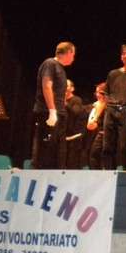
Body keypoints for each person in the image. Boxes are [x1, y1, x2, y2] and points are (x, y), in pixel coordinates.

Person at [31, 41, 76, 169]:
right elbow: (47, 86)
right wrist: (52, 111)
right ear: (69, 52)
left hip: (59, 114)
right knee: (46, 150)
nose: (73, 58)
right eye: (73, 55)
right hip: (47, 112)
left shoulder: (60, 68)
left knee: (58, 151)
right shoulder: (50, 64)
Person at [63, 79, 85, 169]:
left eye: (67, 86)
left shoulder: (77, 100)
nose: (64, 88)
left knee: (72, 163)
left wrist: (65, 104)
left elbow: (76, 113)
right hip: (62, 136)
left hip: (74, 136)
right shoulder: (58, 100)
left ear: (72, 88)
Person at [86, 82, 107, 170]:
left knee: (97, 156)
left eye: (101, 93)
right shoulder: (96, 105)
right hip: (97, 134)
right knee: (92, 156)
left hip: (106, 135)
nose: (98, 95)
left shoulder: (108, 106)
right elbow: (90, 124)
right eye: (96, 92)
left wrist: (95, 123)